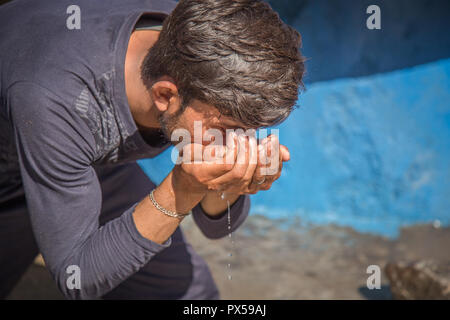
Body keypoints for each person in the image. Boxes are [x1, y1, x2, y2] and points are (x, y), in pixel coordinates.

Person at [0, 0, 305, 299]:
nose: (239, 142)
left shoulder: (202, 40)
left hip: (89, 160)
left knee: (190, 295)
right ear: (164, 94)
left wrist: (231, 181)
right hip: (13, 162)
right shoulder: (56, 99)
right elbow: (76, 278)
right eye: (227, 129)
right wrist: (182, 190)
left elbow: (214, 224)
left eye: (250, 128)